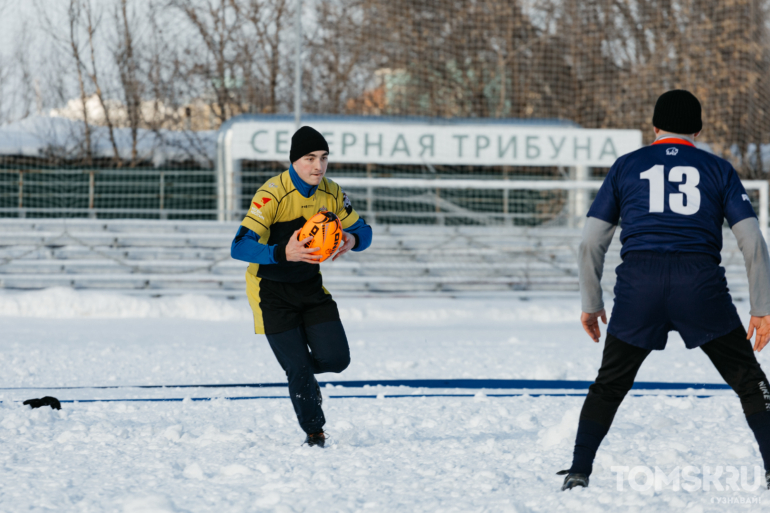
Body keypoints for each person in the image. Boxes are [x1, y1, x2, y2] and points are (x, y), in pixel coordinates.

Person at [559, 90, 770, 490]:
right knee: (748, 379)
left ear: (654, 127)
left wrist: (591, 302)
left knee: (610, 383)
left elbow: (590, 242)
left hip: (640, 285)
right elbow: (753, 241)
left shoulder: (626, 166)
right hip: (699, 284)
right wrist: (762, 306)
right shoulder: (718, 169)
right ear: (698, 129)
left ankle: (578, 470)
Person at [230, 126, 372, 447]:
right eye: (309, 158)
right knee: (298, 369)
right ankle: (315, 433)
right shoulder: (271, 194)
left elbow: (365, 231)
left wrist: (353, 238)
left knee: (337, 361)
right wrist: (283, 252)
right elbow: (238, 246)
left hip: (310, 288)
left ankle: (303, 377)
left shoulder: (331, 192)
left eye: (323, 158)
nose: (318, 166)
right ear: (295, 161)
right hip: (272, 293)